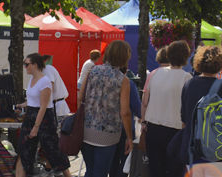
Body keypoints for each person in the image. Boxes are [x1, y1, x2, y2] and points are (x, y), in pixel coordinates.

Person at [180, 46, 222, 175]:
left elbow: (184, 122)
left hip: (193, 152)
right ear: (221, 63)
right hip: (217, 151)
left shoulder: (189, 84)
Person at [80, 41, 133, 177]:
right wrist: (129, 137)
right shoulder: (123, 80)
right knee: (100, 173)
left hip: (86, 129)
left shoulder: (93, 70)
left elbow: (81, 96)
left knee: (90, 171)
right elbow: (125, 112)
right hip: (108, 133)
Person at [16, 54, 71, 177]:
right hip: (31, 115)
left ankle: (66, 174)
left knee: (53, 150)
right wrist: (21, 105)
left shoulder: (45, 81)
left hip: (45, 118)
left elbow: (43, 106)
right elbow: (32, 100)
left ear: (35, 65)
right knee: (23, 150)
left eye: (27, 64)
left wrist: (36, 127)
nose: (25, 67)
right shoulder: (32, 79)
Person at [141, 40, 190, 177]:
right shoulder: (186, 78)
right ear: (186, 57)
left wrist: (143, 122)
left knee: (155, 169)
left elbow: (145, 101)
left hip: (154, 128)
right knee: (174, 171)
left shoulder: (155, 74)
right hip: (175, 130)